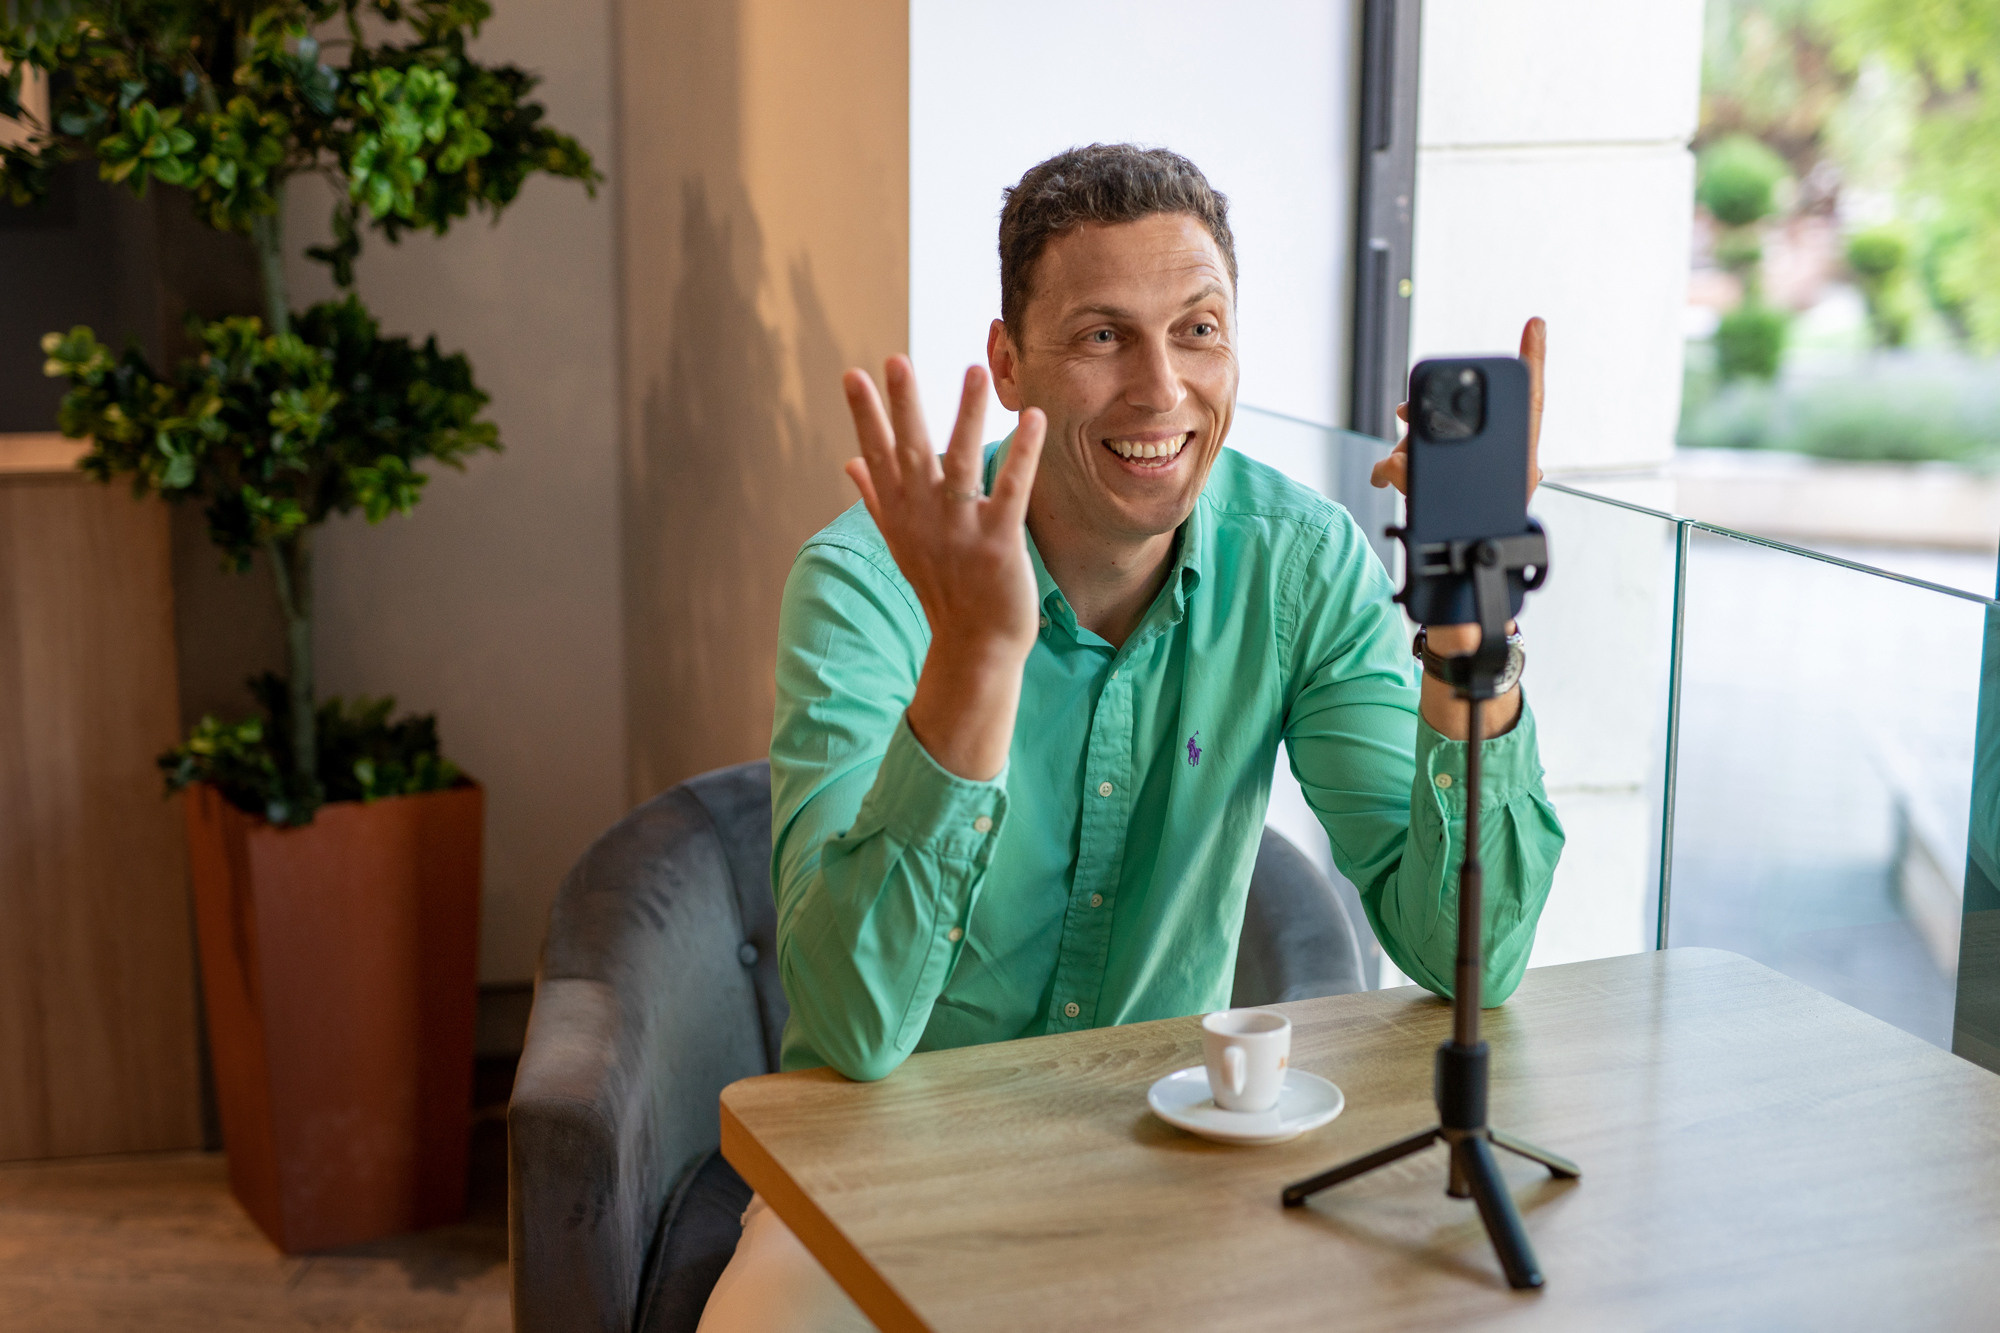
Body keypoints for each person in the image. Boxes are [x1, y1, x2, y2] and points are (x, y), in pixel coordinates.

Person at [697, 143, 1565, 1331]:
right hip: (881, 1159)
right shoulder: (866, 582)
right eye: (1102, 336)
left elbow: (1468, 950)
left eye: (1197, 330)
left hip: (1169, 1153)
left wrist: (1473, 627)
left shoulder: (1298, 561)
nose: (1160, 389)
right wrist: (975, 658)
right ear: (1009, 365)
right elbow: (849, 1028)